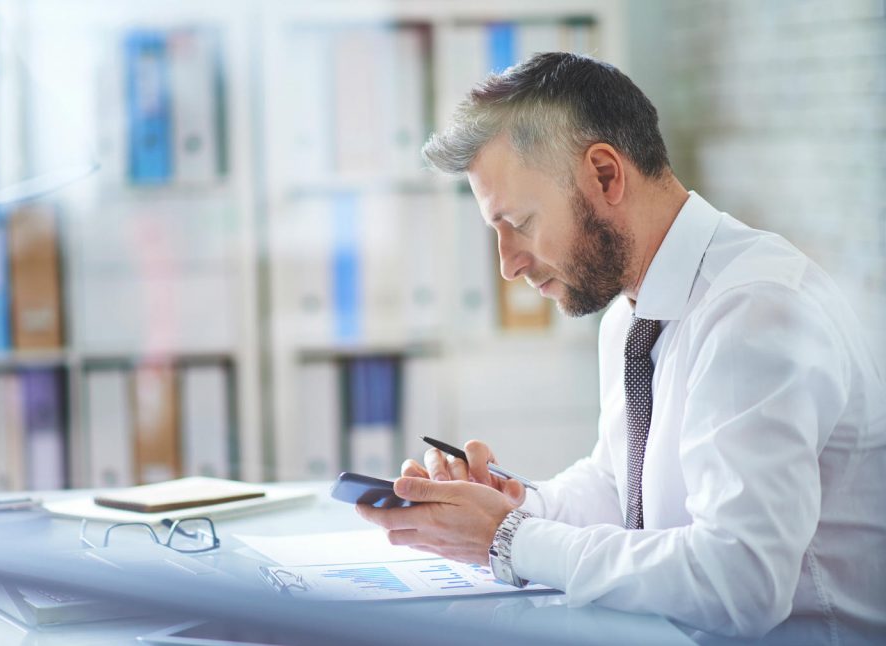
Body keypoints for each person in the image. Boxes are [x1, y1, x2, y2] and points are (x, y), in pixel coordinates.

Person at [355, 52, 886, 644]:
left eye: (521, 223)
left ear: (605, 175)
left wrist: (508, 538)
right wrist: (515, 504)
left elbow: (741, 584)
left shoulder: (756, 311)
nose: (507, 265)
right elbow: (620, 490)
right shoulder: (632, 314)